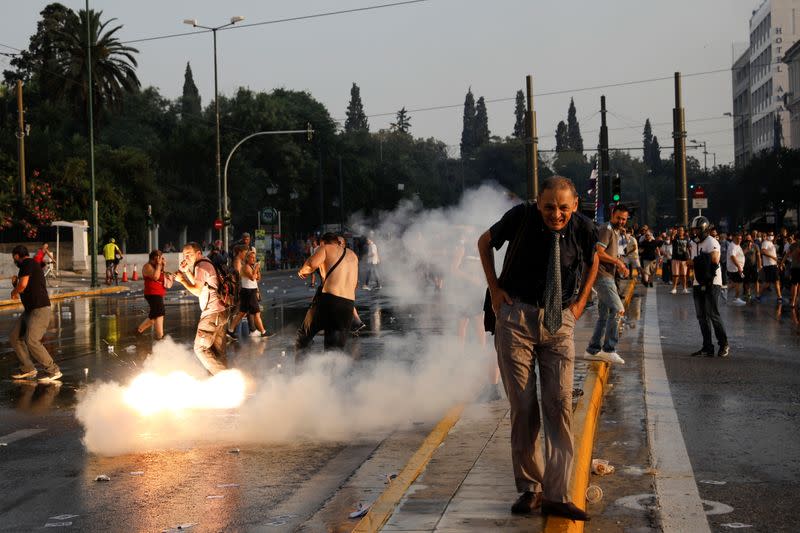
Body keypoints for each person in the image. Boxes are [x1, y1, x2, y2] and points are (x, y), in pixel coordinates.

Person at [477, 176, 598, 521]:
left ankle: (557, 494)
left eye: (563, 207)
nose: (555, 214)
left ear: (574, 205)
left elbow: (594, 261)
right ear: (537, 203)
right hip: (516, 317)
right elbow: (484, 243)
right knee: (524, 405)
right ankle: (531, 488)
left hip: (560, 321)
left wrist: (581, 303)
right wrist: (496, 290)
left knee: (558, 404)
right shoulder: (520, 217)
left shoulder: (584, 228)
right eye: (549, 206)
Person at [296, 233, 359, 352]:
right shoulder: (353, 255)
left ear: (323, 242)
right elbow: (355, 284)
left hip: (329, 301)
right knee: (335, 349)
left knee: (304, 336)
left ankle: (301, 369)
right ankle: (332, 370)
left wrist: (302, 271)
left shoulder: (325, 248)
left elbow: (311, 264)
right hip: (348, 305)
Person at [8, 245, 62, 382]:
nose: (14, 260)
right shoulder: (29, 265)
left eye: (14, 257)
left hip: (40, 309)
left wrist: (14, 290)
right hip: (30, 310)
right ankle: (28, 368)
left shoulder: (27, 263)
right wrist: (16, 284)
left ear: (16, 256)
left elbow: (23, 285)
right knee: (15, 336)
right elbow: (25, 286)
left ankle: (53, 370)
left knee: (31, 340)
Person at [174, 242, 230, 375]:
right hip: (221, 311)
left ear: (198, 253)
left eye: (189, 255)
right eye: (184, 255)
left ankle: (227, 381)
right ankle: (220, 385)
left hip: (212, 313)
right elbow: (198, 283)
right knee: (217, 353)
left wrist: (182, 280)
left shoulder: (201, 266)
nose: (186, 258)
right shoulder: (205, 262)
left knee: (200, 348)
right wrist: (187, 271)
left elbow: (197, 290)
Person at [584, 204, 628, 365]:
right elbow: (599, 252)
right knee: (618, 310)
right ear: (612, 215)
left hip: (607, 276)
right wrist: (617, 262)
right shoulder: (607, 229)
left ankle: (592, 350)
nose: (622, 221)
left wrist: (620, 264)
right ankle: (609, 349)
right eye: (619, 218)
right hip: (602, 277)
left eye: (624, 219)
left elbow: (610, 253)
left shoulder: (615, 231)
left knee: (604, 316)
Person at [688, 216, 729, 358]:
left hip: (712, 282)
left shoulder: (712, 241)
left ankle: (723, 344)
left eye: (697, 230)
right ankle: (707, 347)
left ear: (704, 229)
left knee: (713, 314)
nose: (695, 233)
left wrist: (696, 261)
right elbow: (693, 262)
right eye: (693, 230)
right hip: (697, 282)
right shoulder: (693, 244)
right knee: (701, 316)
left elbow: (715, 259)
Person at [228, 250, 273, 338]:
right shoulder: (246, 267)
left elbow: (257, 279)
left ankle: (230, 330)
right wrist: (256, 269)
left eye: (254, 258)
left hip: (250, 291)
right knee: (256, 313)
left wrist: (257, 271)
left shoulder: (251, 267)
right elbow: (252, 278)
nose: (253, 259)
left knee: (242, 313)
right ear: (247, 258)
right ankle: (263, 332)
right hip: (248, 292)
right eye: (251, 257)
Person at [137, 250, 173, 339]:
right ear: (155, 258)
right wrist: (159, 265)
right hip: (152, 293)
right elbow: (155, 276)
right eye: (160, 258)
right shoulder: (147, 266)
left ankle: (138, 330)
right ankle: (160, 336)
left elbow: (161, 277)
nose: (161, 260)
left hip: (158, 293)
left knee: (154, 316)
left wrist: (163, 267)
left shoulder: (158, 266)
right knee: (160, 313)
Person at [757, 230, 783, 303]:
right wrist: (774, 258)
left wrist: (776, 261)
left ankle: (779, 297)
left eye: (772, 234)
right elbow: (762, 251)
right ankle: (759, 295)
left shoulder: (770, 243)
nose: (771, 236)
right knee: (770, 282)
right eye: (769, 234)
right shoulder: (765, 242)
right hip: (769, 265)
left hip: (773, 265)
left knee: (775, 281)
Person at [726, 233, 747, 306]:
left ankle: (725, 290)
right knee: (738, 283)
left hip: (738, 268)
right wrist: (738, 266)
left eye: (740, 239)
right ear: (734, 238)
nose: (739, 240)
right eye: (738, 238)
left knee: (735, 283)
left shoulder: (737, 245)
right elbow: (733, 257)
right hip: (735, 268)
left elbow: (739, 255)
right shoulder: (733, 246)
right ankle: (736, 298)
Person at [671, 226, 690, 294]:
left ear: (683, 232)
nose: (680, 231)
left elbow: (689, 248)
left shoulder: (687, 239)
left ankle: (685, 288)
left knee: (684, 275)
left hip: (684, 259)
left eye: (681, 230)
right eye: (678, 230)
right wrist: (673, 234)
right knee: (675, 275)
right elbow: (671, 240)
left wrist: (689, 258)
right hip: (676, 258)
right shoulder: (675, 238)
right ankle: (674, 288)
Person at [783, 232, 800, 308]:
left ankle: (793, 302)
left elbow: (787, 254)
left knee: (794, 284)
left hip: (794, 267)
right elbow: (787, 254)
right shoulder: (793, 245)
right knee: (796, 285)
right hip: (795, 267)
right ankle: (795, 301)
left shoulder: (792, 245)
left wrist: (782, 263)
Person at [742, 236, 761, 301]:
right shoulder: (744, 246)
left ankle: (757, 294)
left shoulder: (755, 246)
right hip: (746, 266)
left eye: (749, 240)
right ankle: (748, 294)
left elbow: (758, 256)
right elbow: (741, 254)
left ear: (752, 240)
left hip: (754, 265)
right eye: (747, 240)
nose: (748, 242)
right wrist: (747, 248)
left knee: (756, 280)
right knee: (747, 280)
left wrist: (759, 265)